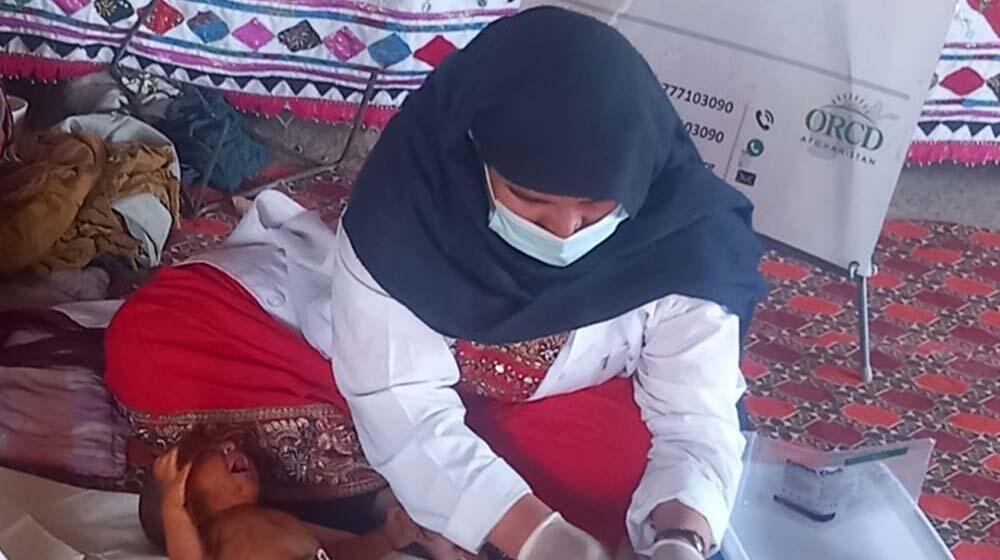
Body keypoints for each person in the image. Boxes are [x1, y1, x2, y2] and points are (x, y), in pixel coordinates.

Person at [105, 6, 765, 560]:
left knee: (627, 472)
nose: (564, 231)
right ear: (473, 151)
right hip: (350, 366)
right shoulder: (405, 213)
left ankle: (412, 502)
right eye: (530, 200)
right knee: (152, 344)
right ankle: (428, 503)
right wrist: (539, 538)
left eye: (595, 212)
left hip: (547, 403)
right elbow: (401, 406)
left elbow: (693, 418)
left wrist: (680, 537)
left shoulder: (686, 241)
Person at [141, 435, 470, 559]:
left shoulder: (273, 521)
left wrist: (385, 539)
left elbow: (334, 553)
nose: (229, 446)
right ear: (186, 503)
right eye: (206, 456)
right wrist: (172, 513)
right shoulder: (218, 541)